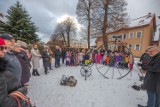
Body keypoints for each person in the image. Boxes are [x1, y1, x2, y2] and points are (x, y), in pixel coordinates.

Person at [0, 38, 31, 107]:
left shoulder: (3, 65)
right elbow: (3, 103)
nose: (5, 51)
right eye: (1, 48)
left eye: (5, 48)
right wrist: (21, 92)